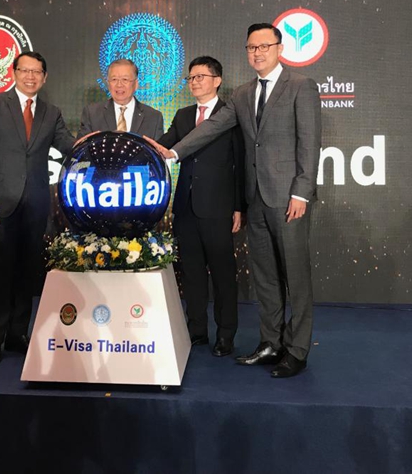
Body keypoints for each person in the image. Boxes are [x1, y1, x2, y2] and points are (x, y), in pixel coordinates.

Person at [148, 23, 321, 379]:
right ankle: (271, 342)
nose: (257, 53)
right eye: (251, 48)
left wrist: (301, 191)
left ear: (279, 48)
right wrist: (173, 152)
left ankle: (297, 350)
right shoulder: (243, 94)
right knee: (266, 278)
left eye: (264, 46)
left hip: (289, 198)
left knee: (296, 277)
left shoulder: (301, 86)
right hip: (256, 199)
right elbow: (211, 127)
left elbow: (309, 142)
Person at [0, 51, 76, 365]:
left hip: (36, 204)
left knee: (28, 272)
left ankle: (17, 334)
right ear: (13, 73)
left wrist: (97, 141)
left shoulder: (51, 113)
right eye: (25, 70)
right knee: (0, 272)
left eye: (36, 72)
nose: (31, 77)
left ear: (45, 77)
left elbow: (69, 145)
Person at [158, 56, 245, 357]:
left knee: (223, 275)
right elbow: (165, 146)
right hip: (185, 207)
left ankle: (226, 335)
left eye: (200, 77)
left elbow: (240, 163)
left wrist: (238, 206)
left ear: (217, 80)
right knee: (192, 273)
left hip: (219, 208)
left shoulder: (231, 114)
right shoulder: (183, 115)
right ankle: (196, 331)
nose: (194, 82)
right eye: (191, 78)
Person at [77, 59, 164, 140]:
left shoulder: (154, 117)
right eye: (114, 79)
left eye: (125, 79)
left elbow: (158, 150)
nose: (119, 85)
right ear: (108, 84)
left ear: (136, 84)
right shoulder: (92, 114)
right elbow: (81, 147)